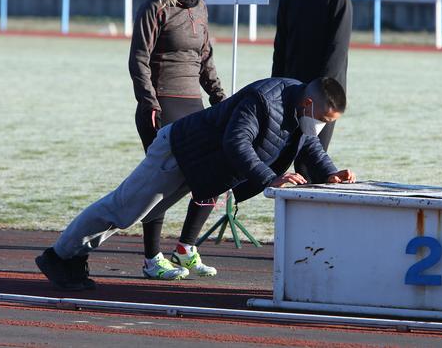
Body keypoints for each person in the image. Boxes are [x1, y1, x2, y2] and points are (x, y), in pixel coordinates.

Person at [35, 76, 356, 291]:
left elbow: (308, 144)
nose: (321, 126)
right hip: (179, 150)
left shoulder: (301, 110)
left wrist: (330, 172)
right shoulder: (263, 99)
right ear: (309, 105)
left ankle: (73, 258)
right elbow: (236, 143)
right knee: (122, 208)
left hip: (198, 165)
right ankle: (59, 256)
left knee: (129, 214)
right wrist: (270, 177)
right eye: (323, 119)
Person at [128, 0, 227, 281]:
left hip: (193, 106)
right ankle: (152, 258)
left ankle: (185, 248)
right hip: (161, 106)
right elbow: (139, 60)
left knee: (213, 175)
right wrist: (149, 101)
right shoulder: (154, 9)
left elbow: (206, 60)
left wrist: (220, 99)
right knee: (162, 182)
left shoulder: (201, 10)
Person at [272, 0, 353, 183]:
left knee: (312, 163)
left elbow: (336, 52)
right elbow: (280, 49)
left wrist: (319, 95)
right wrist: (275, 90)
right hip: (290, 94)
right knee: (284, 161)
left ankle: (315, 218)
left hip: (321, 97)